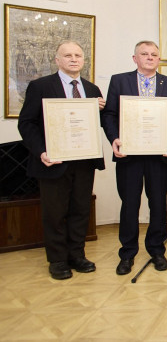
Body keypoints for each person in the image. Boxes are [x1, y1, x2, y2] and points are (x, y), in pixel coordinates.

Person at [18, 41, 105, 280]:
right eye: (68, 55)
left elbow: (94, 124)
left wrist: (100, 110)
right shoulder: (40, 86)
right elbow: (26, 123)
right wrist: (41, 151)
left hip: (84, 161)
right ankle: (57, 260)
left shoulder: (92, 89)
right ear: (57, 60)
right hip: (53, 161)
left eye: (78, 55)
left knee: (81, 210)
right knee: (54, 213)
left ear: (83, 60)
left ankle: (77, 255)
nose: (73, 59)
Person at [102, 41, 167, 275]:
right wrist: (114, 139)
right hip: (129, 155)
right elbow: (109, 115)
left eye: (154, 54)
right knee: (129, 205)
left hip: (159, 156)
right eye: (144, 54)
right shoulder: (119, 81)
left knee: (158, 204)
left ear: (159, 59)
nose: (149, 57)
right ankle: (127, 254)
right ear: (134, 58)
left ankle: (157, 250)